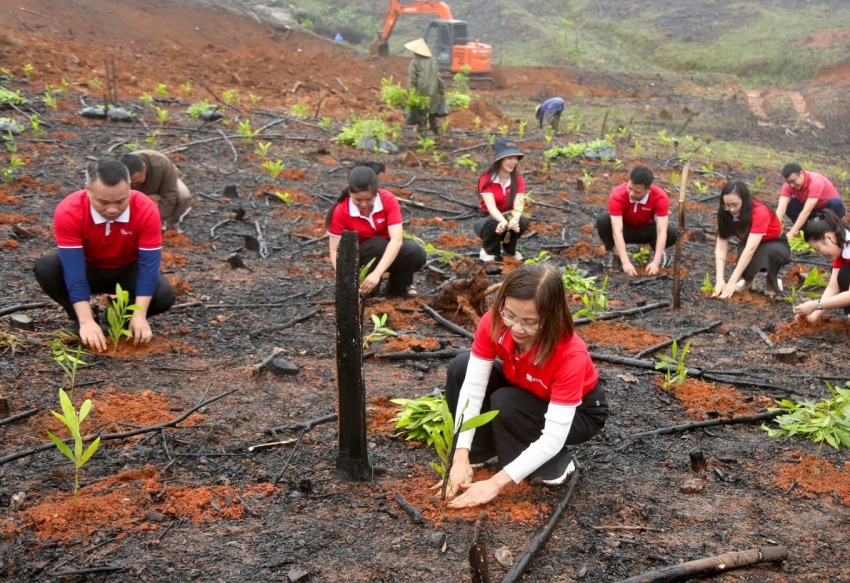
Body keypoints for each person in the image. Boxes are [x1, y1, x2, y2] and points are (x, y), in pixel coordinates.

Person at [436, 264, 608, 509]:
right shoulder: (494, 322)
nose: (517, 328)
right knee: (461, 368)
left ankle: (555, 465)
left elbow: (553, 437)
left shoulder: (570, 354)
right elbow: (473, 388)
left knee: (506, 403)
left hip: (579, 413)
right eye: (511, 315)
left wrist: (494, 483)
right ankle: (481, 452)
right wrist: (460, 455)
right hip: (525, 385)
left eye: (530, 322)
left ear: (552, 318)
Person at [33, 158, 175, 351]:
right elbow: (73, 271)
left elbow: (148, 267)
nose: (112, 209)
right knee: (47, 267)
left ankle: (117, 317)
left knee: (163, 295)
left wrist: (140, 315)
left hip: (128, 270)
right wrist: (86, 321)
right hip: (89, 268)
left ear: (130, 188)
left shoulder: (146, 209)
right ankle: (83, 320)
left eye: (120, 201)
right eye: (103, 202)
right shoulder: (69, 210)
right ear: (88, 189)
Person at [326, 166, 426, 298]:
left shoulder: (388, 200)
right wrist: (344, 275)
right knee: (377, 245)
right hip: (362, 257)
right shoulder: (341, 210)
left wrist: (377, 273)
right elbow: (335, 250)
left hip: (387, 251)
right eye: (358, 200)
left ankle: (398, 287)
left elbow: (396, 240)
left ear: (376, 192)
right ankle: (367, 290)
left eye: (369, 199)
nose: (363, 204)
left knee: (414, 251)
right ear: (350, 193)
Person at [713, 180, 790, 299]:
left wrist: (732, 281)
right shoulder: (725, 213)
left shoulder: (760, 212)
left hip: (774, 243)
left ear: (745, 200)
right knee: (742, 253)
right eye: (727, 205)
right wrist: (719, 280)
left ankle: (771, 280)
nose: (731, 209)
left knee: (768, 252)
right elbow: (721, 247)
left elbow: (751, 248)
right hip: (748, 241)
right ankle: (747, 280)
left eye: (735, 205)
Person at [595, 166, 676, 275]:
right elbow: (617, 231)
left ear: (648, 190)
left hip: (645, 231)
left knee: (671, 232)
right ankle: (616, 255)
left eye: (637, 192)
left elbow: (662, 232)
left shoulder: (660, 197)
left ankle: (643, 251)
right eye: (630, 188)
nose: (631, 194)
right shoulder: (617, 195)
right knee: (603, 220)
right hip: (624, 230)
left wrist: (656, 263)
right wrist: (626, 262)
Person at [474, 138, 530, 262]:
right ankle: (488, 250)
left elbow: (519, 205)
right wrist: (502, 221)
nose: (513, 162)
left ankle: (509, 250)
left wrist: (515, 219)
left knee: (522, 220)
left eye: (515, 158)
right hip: (487, 220)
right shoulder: (486, 179)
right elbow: (491, 208)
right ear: (500, 160)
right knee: (494, 221)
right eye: (509, 158)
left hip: (508, 216)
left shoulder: (518, 180)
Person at [794, 210, 850, 323]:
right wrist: (814, 316)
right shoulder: (841, 248)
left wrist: (815, 305)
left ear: (829, 238)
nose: (821, 254)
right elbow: (833, 287)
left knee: (845, 272)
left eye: (818, 249)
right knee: (843, 273)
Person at [119, 150, 192, 233]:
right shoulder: (119, 170)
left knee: (183, 195)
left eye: (137, 182)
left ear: (144, 168)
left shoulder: (161, 163)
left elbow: (169, 195)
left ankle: (171, 226)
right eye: (131, 183)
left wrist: (156, 220)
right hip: (134, 196)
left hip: (162, 185)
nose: (134, 185)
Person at [775, 163, 845, 240]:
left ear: (801, 173)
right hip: (814, 211)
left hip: (829, 211)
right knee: (789, 204)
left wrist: (792, 232)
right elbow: (781, 208)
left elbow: (806, 211)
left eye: (793, 181)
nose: (792, 185)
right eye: (789, 182)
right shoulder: (788, 186)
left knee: (835, 203)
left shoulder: (815, 182)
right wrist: (775, 228)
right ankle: (806, 233)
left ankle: (829, 230)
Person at [405, 38, 445, 139]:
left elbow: (412, 80)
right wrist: (442, 91)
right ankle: (439, 137)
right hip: (433, 92)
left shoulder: (415, 62)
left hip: (421, 93)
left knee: (422, 118)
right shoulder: (432, 61)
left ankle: (425, 140)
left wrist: (411, 95)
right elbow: (438, 77)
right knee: (433, 117)